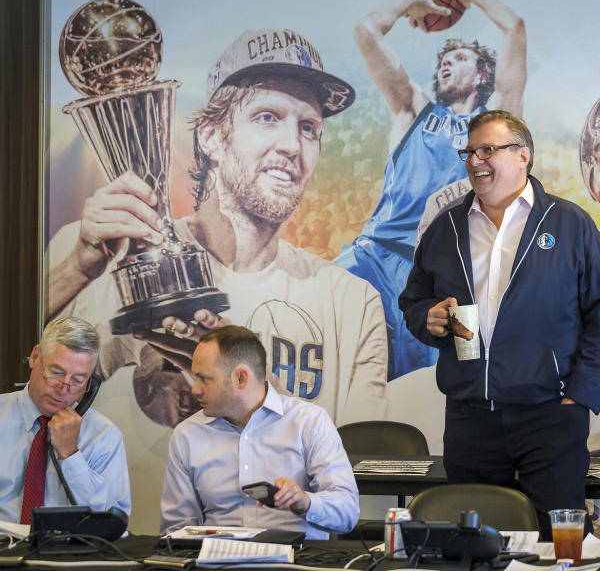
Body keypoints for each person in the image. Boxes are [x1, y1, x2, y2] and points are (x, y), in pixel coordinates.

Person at [45, 27, 388, 428]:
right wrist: (77, 271)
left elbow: (358, 468)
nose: (293, 145)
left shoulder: (352, 302)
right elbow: (22, 391)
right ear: (210, 136)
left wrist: (244, 384)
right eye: (267, 117)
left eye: (309, 127)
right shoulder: (101, 257)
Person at [399, 110, 600, 537]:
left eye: (488, 150)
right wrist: (427, 317)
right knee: (474, 543)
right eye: (469, 151)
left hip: (551, 418)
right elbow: (413, 300)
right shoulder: (445, 227)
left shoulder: (569, 223)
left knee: (557, 543)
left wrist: (580, 397)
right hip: (470, 418)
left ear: (523, 156)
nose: (475, 160)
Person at [340, 0, 526, 380]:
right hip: (376, 256)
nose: (446, 64)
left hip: (455, 279)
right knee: (312, 308)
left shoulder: (497, 123)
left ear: (482, 75)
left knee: (462, 377)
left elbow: (514, 27)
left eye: (458, 58)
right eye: (443, 59)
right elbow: (366, 32)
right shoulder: (413, 110)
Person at [160, 325, 358, 538]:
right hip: (218, 562)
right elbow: (176, 532)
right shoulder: (187, 435)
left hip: (296, 561)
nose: (195, 389)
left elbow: (347, 513)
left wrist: (305, 502)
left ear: (240, 378)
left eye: (205, 379)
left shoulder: (309, 422)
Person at [0, 317, 130, 523]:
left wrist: (70, 454)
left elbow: (112, 523)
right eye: (56, 372)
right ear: (35, 357)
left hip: (68, 552)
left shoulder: (104, 435)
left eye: (77, 380)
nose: (63, 388)